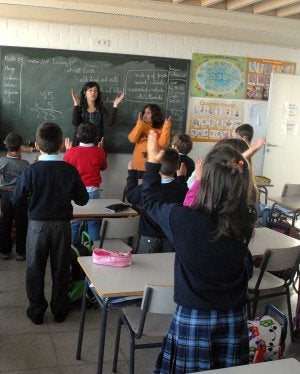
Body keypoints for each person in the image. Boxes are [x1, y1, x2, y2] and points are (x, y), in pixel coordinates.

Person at [142, 130, 256, 373]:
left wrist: (152, 162)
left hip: (194, 317)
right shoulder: (247, 218)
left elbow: (149, 201)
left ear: (204, 179)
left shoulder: (182, 219)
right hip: (233, 316)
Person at [12, 122, 89, 325]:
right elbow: (83, 199)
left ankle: (36, 310)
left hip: (37, 225)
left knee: (34, 268)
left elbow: (16, 199)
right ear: (62, 146)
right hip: (62, 226)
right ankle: (60, 309)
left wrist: (32, 201)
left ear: (37, 146)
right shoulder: (69, 170)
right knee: (61, 268)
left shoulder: (31, 171)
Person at [126, 148, 188, 253]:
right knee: (166, 267)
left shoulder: (147, 188)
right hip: (170, 237)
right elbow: (185, 198)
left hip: (148, 236)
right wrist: (181, 178)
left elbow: (131, 196)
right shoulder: (181, 189)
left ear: (156, 167)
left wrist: (132, 175)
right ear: (178, 167)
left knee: (146, 267)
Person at [64, 121, 107, 244]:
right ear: (95, 136)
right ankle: (96, 253)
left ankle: (72, 254)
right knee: (93, 223)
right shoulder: (99, 152)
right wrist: (101, 150)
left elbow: (66, 170)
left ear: (77, 136)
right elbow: (103, 167)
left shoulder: (71, 152)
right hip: (93, 191)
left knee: (74, 223)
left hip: (74, 191)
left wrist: (68, 151)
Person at [0, 133, 29, 261]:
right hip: (20, 197)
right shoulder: (25, 164)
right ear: (21, 147)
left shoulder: (1, 161)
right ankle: (21, 252)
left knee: (5, 222)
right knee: (21, 223)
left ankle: (5, 251)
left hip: (5, 195)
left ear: (6, 145)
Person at [71, 81, 125, 146]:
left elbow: (110, 123)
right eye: (90, 90)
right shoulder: (80, 109)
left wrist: (115, 105)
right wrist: (76, 105)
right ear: (85, 93)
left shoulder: (101, 110)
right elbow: (75, 123)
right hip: (80, 145)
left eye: (95, 90)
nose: (93, 92)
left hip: (96, 144)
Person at [128, 104, 171, 177]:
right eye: (144, 112)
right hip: (138, 167)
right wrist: (139, 123)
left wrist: (166, 126)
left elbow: (163, 144)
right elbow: (132, 139)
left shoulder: (160, 130)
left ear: (155, 115)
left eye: (148, 113)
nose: (145, 115)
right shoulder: (141, 126)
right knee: (137, 187)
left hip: (153, 167)